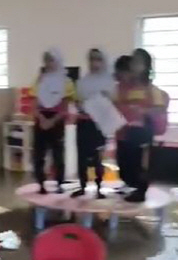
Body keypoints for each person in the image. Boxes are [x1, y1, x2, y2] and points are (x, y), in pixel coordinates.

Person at [114, 49, 168, 202]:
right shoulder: (124, 88)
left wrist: (143, 110)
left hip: (142, 131)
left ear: (146, 67)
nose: (135, 65)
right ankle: (131, 185)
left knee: (139, 163)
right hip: (124, 131)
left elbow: (160, 107)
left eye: (139, 62)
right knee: (123, 163)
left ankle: (141, 191)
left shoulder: (151, 89)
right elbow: (116, 104)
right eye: (133, 61)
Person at [72, 48, 115, 199]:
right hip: (83, 123)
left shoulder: (109, 82)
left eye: (97, 59)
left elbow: (111, 103)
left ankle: (99, 187)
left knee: (97, 157)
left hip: (98, 125)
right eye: (91, 59)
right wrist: (82, 106)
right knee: (82, 156)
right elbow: (77, 102)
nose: (94, 63)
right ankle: (82, 186)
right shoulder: (82, 82)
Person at [31, 49, 75, 194]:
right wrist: (42, 118)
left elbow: (65, 107)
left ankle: (59, 183)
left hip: (57, 120)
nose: (49, 64)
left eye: (52, 60)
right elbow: (34, 104)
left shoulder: (66, 82)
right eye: (47, 61)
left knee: (58, 155)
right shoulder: (40, 80)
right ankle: (40, 184)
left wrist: (52, 121)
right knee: (39, 154)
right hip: (41, 120)